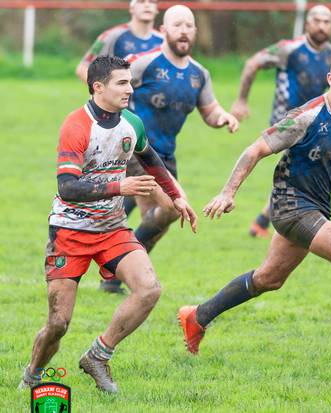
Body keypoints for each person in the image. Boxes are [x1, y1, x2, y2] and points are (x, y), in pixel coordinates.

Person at [178, 50, 331, 364]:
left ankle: (197, 317)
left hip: (316, 207)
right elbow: (256, 149)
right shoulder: (307, 116)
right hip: (289, 205)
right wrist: (227, 193)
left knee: (268, 279)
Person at [18, 56, 197, 393]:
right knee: (58, 323)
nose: (130, 89)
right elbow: (67, 188)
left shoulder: (132, 122)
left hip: (112, 228)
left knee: (149, 289)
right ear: (98, 87)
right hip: (70, 232)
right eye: (121, 83)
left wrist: (177, 197)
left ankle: (97, 356)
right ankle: (33, 374)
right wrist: (120, 186)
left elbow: (151, 160)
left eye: (130, 82)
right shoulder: (76, 126)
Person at [96, 5, 239, 293]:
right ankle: (119, 265)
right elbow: (106, 87)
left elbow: (209, 110)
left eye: (189, 25)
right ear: (164, 31)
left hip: (166, 157)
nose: (184, 30)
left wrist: (222, 116)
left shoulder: (200, 74)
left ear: (195, 32)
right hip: (137, 151)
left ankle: (115, 270)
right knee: (175, 206)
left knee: (159, 219)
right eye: (177, 25)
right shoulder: (143, 63)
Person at [230, 5, 331, 238]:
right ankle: (277, 223)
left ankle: (263, 223)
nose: (321, 26)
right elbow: (252, 63)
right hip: (285, 123)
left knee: (299, 179)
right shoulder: (287, 49)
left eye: (326, 21)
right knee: (300, 179)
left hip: (314, 125)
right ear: (307, 23)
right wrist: (241, 100)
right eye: (317, 21)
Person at [75, 0, 162, 83]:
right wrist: (103, 92)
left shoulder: (163, 41)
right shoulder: (110, 36)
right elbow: (83, 68)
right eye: (141, 1)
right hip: (117, 97)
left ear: (157, 9)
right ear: (131, 8)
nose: (147, 5)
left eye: (152, 1)